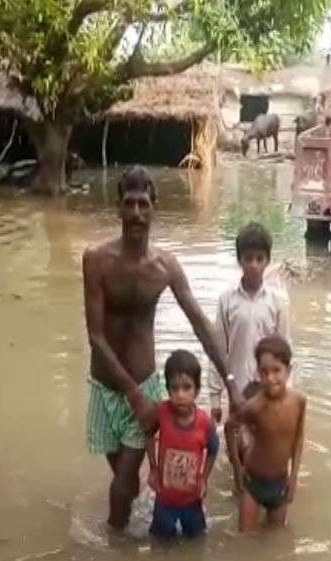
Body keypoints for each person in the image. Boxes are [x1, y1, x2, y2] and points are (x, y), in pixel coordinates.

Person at [82, 165, 241, 531]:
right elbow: (96, 338)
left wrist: (231, 382)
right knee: (130, 483)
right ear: (119, 208)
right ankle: (151, 512)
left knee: (120, 488)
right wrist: (131, 394)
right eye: (129, 204)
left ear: (155, 206)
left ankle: (116, 550)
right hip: (107, 388)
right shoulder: (96, 260)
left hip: (147, 385)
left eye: (143, 204)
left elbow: (201, 322)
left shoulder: (165, 267)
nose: (136, 213)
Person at [207, 221, 289, 491]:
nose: (253, 264)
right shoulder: (227, 300)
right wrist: (215, 396)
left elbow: (286, 350)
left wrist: (286, 391)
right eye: (248, 258)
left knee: (268, 446)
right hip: (238, 387)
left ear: (267, 261)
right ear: (239, 260)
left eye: (259, 258)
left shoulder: (277, 301)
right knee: (238, 447)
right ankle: (239, 491)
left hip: (270, 389)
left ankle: (264, 494)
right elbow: (218, 348)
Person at [230, 334, 306, 532]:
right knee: (245, 540)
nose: (270, 378)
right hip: (252, 483)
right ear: (258, 374)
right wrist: (237, 468)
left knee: (277, 539)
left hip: (280, 483)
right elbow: (230, 427)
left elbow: (299, 438)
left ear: (289, 371)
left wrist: (294, 475)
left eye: (276, 370)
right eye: (264, 372)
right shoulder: (254, 406)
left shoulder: (299, 401)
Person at [146, 350, 219, 539]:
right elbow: (147, 434)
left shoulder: (205, 423)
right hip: (164, 500)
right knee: (160, 543)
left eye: (187, 388)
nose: (180, 395)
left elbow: (213, 449)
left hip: (192, 501)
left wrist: (204, 478)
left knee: (196, 541)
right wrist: (153, 468)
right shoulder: (161, 412)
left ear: (197, 390)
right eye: (174, 388)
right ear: (167, 389)